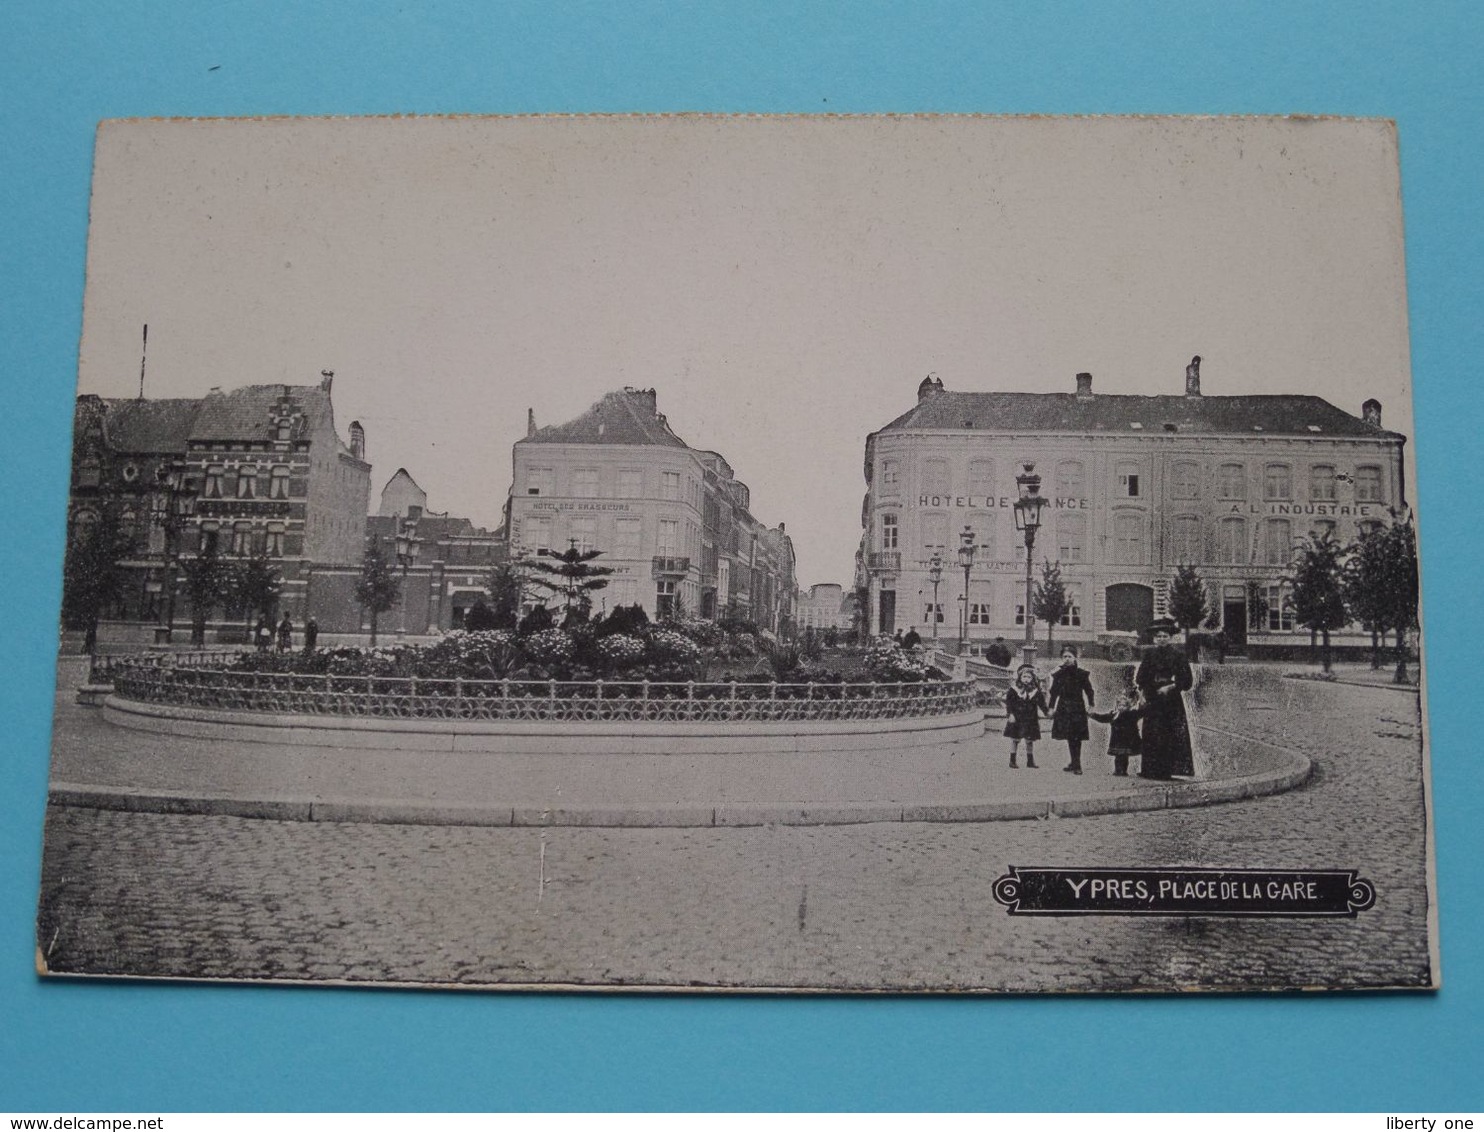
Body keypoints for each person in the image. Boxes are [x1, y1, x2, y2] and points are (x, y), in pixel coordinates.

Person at [1134, 618, 1196, 779]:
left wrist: (1170, 687)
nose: (1161, 639)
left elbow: (1186, 680)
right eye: (1159, 636)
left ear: (1171, 638)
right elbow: (1141, 678)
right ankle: (1149, 770)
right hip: (1152, 698)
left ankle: (1166, 771)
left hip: (1171, 701)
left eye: (1165, 636)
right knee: (1151, 733)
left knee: (1168, 734)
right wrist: (1141, 697)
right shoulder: (1149, 654)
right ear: (1155, 638)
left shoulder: (1178, 656)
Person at [1047, 644, 1095, 774]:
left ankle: (1077, 764)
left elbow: (1089, 691)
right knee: (1069, 736)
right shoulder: (1058, 675)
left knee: (1076, 736)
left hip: (1077, 708)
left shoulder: (1081, 674)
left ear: (1075, 657)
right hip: (1063, 707)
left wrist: (1091, 705)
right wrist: (1051, 708)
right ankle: (1073, 762)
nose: (1067, 659)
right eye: (1064, 656)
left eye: (1069, 656)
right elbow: (1054, 693)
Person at [1090, 690, 1146, 777]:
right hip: (1117, 739)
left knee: (1124, 757)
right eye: (1120, 705)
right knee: (1118, 757)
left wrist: (1142, 702)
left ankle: (1123, 770)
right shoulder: (1114, 714)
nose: (1121, 707)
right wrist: (1093, 715)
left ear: (1128, 706)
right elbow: (1103, 718)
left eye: (1124, 705)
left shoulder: (1131, 714)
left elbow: (1141, 713)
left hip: (1127, 739)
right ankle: (1118, 770)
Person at [1004, 664, 1047, 769]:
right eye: (1024, 677)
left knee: (1029, 740)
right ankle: (1012, 761)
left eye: (1029, 677)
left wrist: (1047, 712)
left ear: (1032, 678)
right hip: (1017, 718)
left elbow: (1042, 704)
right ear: (1020, 677)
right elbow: (1009, 703)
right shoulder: (1014, 690)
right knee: (1015, 739)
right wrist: (1010, 714)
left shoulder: (1035, 691)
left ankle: (1030, 761)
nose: (1026, 679)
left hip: (1030, 719)